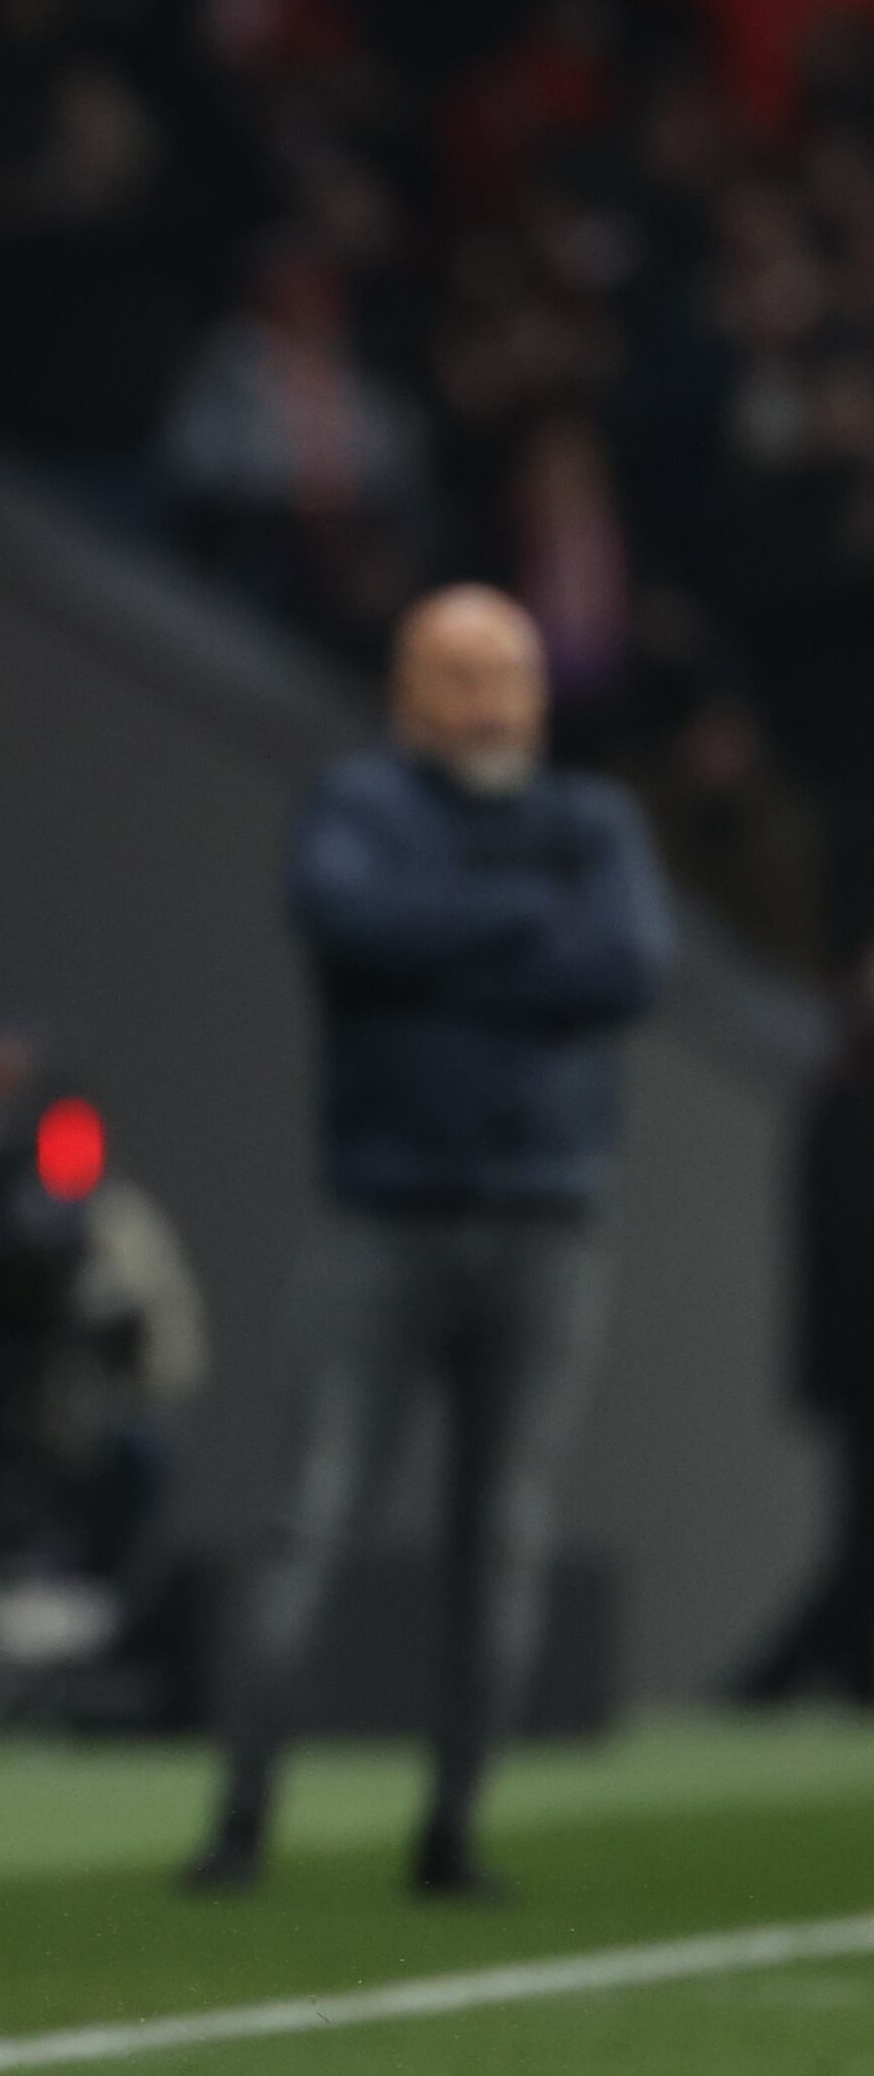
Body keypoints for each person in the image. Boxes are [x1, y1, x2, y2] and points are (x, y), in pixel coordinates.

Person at [186, 585, 669, 1898]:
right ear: (405, 692)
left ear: (539, 692)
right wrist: (524, 921)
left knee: (501, 1533)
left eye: (505, 672)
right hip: (382, 1213)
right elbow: (352, 927)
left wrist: (446, 936)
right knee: (311, 1512)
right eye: (456, 674)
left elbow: (628, 966)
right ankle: (240, 1822)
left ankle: (451, 1828)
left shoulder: (594, 820)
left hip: (546, 1219)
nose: (485, 700)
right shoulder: (357, 805)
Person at [734, 948, 874, 1706]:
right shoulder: (842, 1107)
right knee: (862, 1544)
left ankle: (815, 1681)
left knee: (860, 1544)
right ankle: (764, 1688)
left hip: (848, 1364)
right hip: (859, 1366)